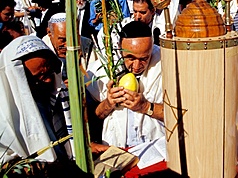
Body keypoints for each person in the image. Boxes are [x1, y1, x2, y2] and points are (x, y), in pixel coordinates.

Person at [86, 21, 164, 150]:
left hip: (154, 149)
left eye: (144, 59)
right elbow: (90, 120)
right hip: (115, 149)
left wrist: (146, 107)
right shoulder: (100, 71)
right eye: (131, 58)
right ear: (119, 49)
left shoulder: (164, 64)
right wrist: (108, 103)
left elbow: (179, 115)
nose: (137, 66)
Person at [0, 35, 73, 163]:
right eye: (40, 76)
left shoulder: (50, 97)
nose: (49, 80)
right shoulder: (4, 119)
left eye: (49, 72)